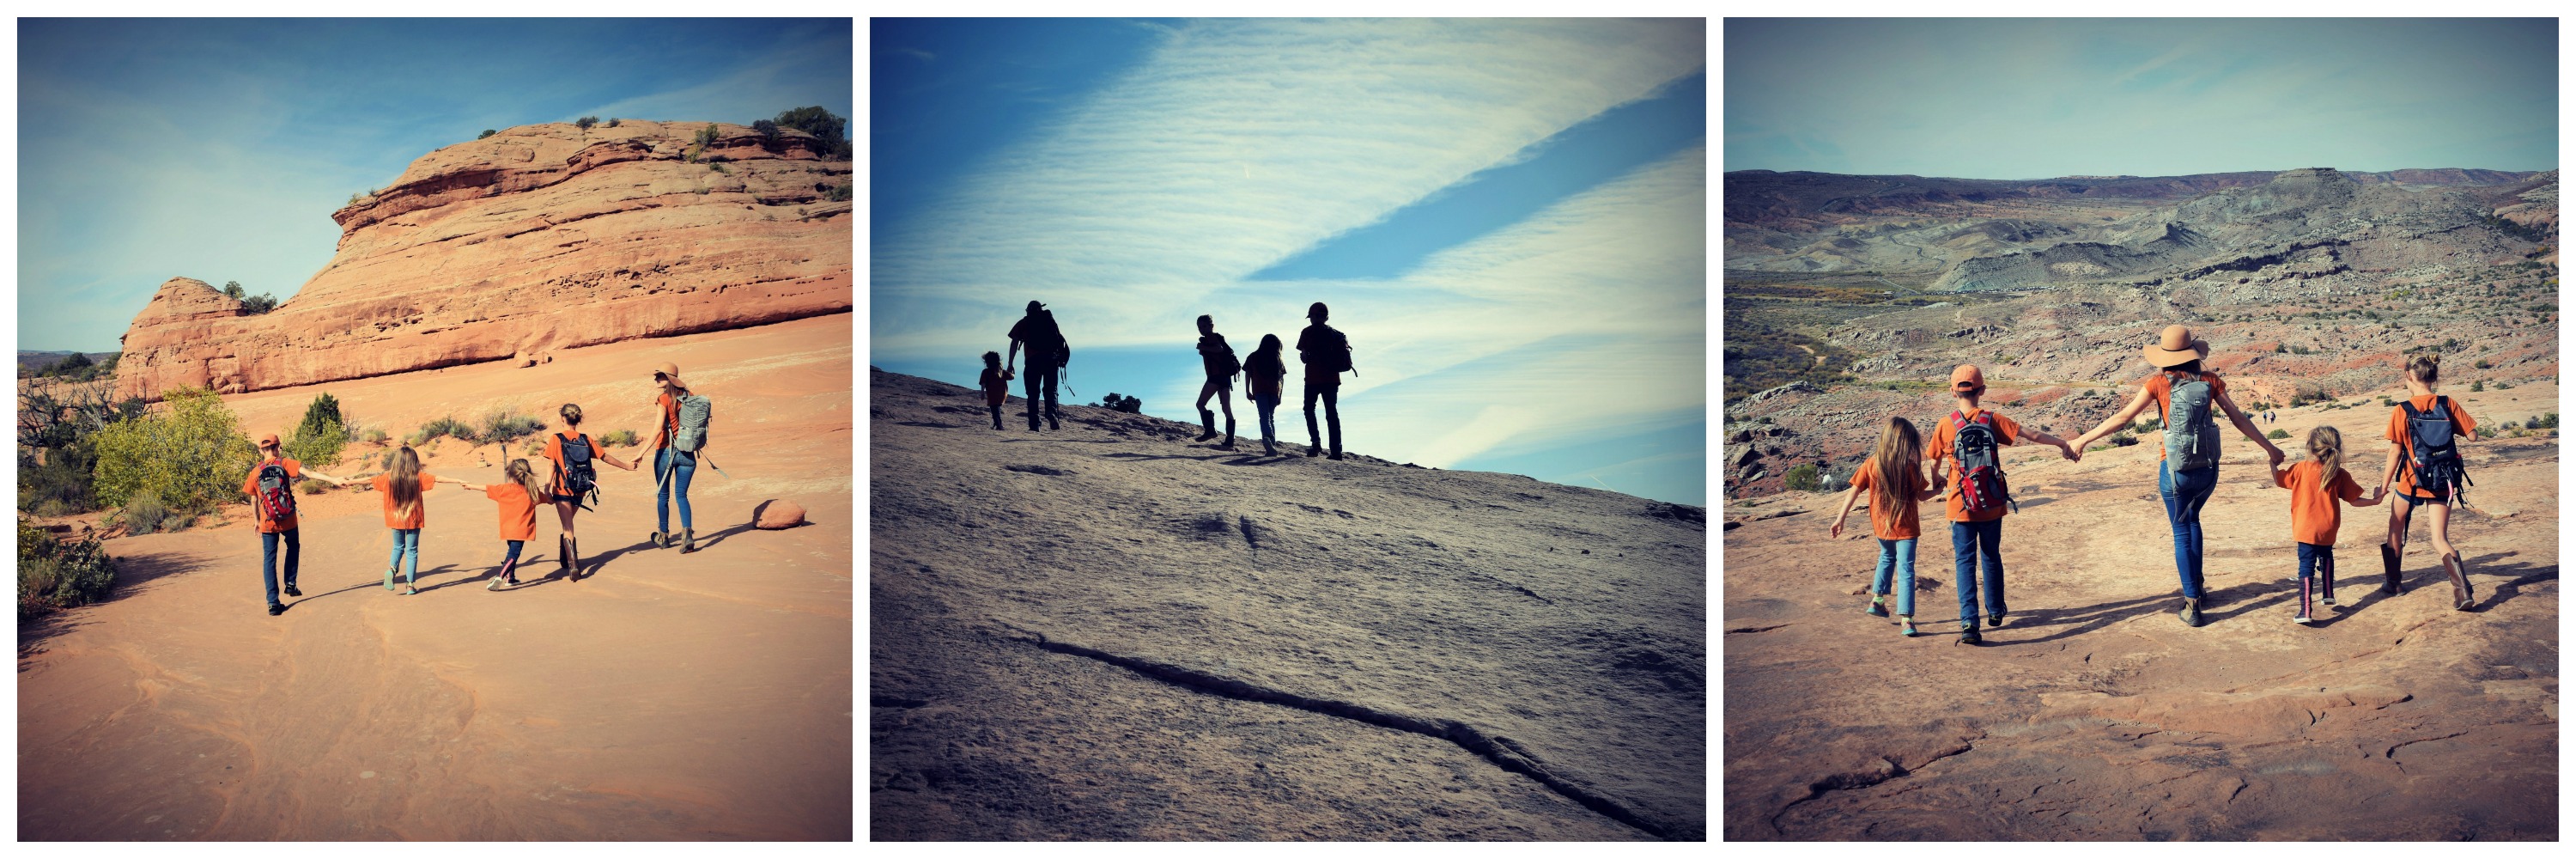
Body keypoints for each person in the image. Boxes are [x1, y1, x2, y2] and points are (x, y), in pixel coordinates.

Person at [2070, 325, 2286, 627]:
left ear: (2165, 356)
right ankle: (2198, 587)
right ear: (2193, 354)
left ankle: (2192, 603)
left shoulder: (2159, 383)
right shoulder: (2211, 381)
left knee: (2181, 530)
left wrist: (2082, 440)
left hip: (2174, 470)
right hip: (2208, 470)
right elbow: (2238, 418)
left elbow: (2123, 418)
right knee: (2193, 520)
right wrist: (2270, 448)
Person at [1925, 364, 2079, 644]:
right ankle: (1995, 610)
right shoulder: (1991, 419)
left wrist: (1938, 482)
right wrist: (2061, 444)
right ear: (1982, 390)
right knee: (1991, 555)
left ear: (1952, 392)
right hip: (1992, 502)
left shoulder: (1945, 425)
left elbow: (1934, 463)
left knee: (1964, 561)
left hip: (1960, 505)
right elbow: (2031, 435)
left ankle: (1970, 623)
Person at [2380, 354, 2479, 610]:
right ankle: (2463, 591)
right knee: (2439, 538)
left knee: (2396, 527)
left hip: (2411, 482)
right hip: (2441, 480)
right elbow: (2472, 436)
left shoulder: (2403, 409)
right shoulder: (2447, 403)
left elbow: (2395, 452)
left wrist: (2383, 486)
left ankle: (2394, 583)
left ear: (2408, 376)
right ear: (2433, 378)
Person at [1828, 417, 1942, 637]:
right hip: (1907, 528)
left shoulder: (1872, 463)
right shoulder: (1910, 468)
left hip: (1882, 527)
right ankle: (1907, 620)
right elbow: (1922, 496)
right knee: (1906, 569)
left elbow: (1853, 490)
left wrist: (1840, 519)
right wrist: (1938, 490)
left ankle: (1877, 600)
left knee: (1886, 557)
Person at [2270, 426, 2384, 624]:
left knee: (2306, 565)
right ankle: (2328, 593)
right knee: (2326, 554)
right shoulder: (2339, 473)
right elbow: (2355, 500)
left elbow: (2279, 480)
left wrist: (2272, 463)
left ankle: (2305, 611)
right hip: (2328, 527)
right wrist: (2375, 501)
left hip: (2305, 528)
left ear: (2312, 449)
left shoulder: (2301, 468)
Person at [242, 432, 361, 615]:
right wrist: (333, 480)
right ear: (278, 447)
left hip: (268, 522)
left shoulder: (256, 472)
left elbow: (253, 500)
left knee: (269, 560)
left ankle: (273, 604)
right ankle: (290, 584)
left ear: (260, 451)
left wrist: (257, 521)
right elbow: (309, 473)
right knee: (293, 546)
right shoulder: (284, 463)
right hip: (288, 519)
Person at [544, 403, 638, 580]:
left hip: (562, 488)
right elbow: (605, 457)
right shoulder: (586, 439)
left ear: (562, 418)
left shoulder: (556, 439)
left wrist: (547, 488)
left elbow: (551, 464)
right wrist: (626, 466)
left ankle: (574, 567)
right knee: (568, 522)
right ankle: (565, 558)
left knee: (568, 526)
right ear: (578, 420)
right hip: (581, 487)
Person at [440, 459, 550, 591]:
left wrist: (470, 486)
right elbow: (549, 500)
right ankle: (500, 577)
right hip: (521, 531)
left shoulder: (504, 489)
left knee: (511, 552)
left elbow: (486, 488)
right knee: (513, 555)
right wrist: (556, 495)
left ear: (511, 475)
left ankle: (511, 578)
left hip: (507, 529)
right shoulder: (533, 491)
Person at [648, 362, 710, 552]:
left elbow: (658, 429)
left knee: (663, 496)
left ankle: (664, 537)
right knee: (682, 496)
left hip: (666, 453)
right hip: (687, 454)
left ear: (668, 379)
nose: (656, 379)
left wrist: (640, 453)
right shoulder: (690, 397)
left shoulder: (664, 399)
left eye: (659, 376)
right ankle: (687, 535)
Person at [371, 446, 439, 596]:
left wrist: (348, 482)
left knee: (397, 547)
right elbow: (437, 478)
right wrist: (459, 480)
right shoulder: (418, 476)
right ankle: (410, 586)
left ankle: (392, 569)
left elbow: (369, 480)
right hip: (414, 519)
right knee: (412, 551)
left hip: (396, 520)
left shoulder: (388, 477)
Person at [1295, 302, 1352, 460]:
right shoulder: (1336, 334)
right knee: (1331, 413)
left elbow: (1304, 358)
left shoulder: (1307, 332)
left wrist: (1306, 357)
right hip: (1332, 379)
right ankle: (1336, 451)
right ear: (1326, 317)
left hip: (1313, 379)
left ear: (1312, 316)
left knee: (1309, 409)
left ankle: (1316, 443)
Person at [1006, 300, 1069, 431]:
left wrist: (1010, 363)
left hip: (1032, 360)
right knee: (1051, 389)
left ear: (1027, 310)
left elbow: (1014, 342)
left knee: (1033, 393)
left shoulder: (1024, 323)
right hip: (1051, 359)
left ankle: (1034, 424)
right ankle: (1051, 413)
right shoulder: (1049, 321)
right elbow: (1059, 340)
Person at [1193, 314, 1240, 449]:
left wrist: (1202, 347)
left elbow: (1219, 349)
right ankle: (1230, 440)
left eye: (1204, 326)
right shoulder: (1216, 337)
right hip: (1225, 377)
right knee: (1226, 409)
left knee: (1200, 404)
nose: (1202, 329)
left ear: (1211, 326)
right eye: (1200, 327)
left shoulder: (1210, 337)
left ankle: (1210, 431)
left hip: (1216, 376)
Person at [1243, 333, 1289, 456]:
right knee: (1270, 417)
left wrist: (1247, 391)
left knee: (1264, 416)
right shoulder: (1278, 358)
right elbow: (1281, 379)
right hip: (1274, 391)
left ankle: (1267, 438)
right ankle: (1272, 445)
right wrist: (1280, 395)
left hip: (1260, 390)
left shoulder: (1253, 356)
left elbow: (1248, 374)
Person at [977, 351, 1013, 431]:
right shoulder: (1002, 371)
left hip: (992, 394)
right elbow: (1012, 377)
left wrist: (982, 392)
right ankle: (996, 423)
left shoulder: (986, 372)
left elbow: (983, 382)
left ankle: (999, 425)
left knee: (994, 409)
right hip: (1002, 394)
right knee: (996, 409)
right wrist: (1011, 371)